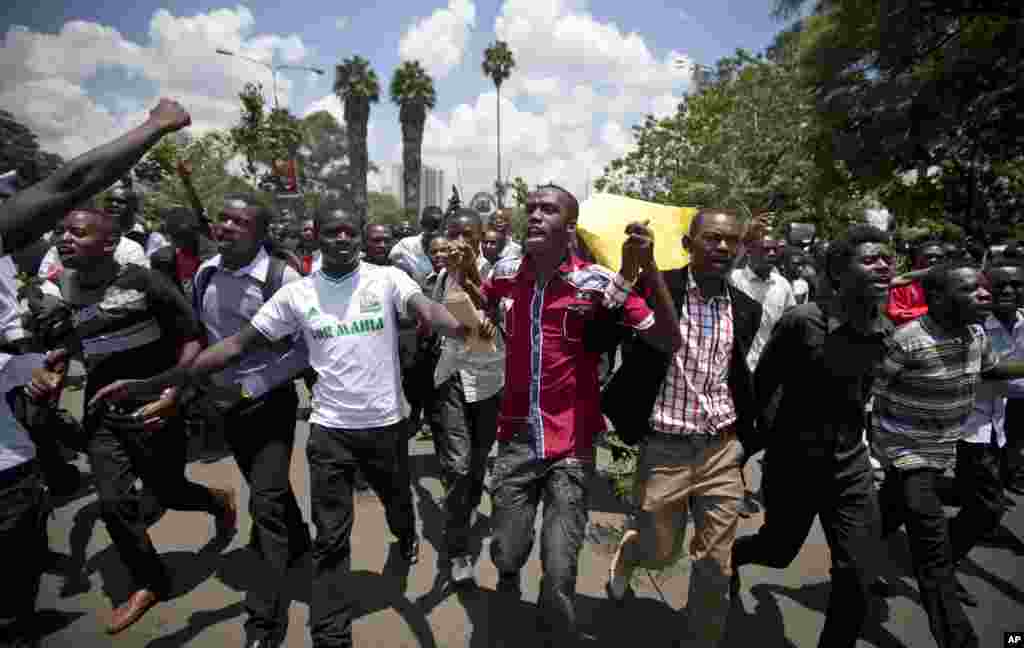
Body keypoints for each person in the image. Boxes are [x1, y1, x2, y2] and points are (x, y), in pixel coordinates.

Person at [91, 207, 473, 648]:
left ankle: (405, 534)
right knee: (330, 541)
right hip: (330, 432)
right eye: (333, 231)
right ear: (317, 239)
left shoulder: (387, 279)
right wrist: (156, 383)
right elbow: (234, 345)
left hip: (386, 427)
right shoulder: (298, 294)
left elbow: (426, 308)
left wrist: (458, 326)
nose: (343, 238)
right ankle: (331, 635)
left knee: (396, 501)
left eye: (352, 231)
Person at [450, 185, 682, 644]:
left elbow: (668, 340)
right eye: (530, 209)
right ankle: (509, 580)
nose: (534, 215)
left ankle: (554, 628)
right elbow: (486, 310)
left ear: (569, 228)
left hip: (572, 446)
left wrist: (648, 270)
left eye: (547, 210)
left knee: (560, 566)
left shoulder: (598, 285)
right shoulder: (506, 271)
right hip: (515, 439)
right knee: (508, 550)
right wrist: (463, 280)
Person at [29, 207, 236, 635]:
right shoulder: (67, 287)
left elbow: (192, 339)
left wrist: (172, 392)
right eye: (62, 231)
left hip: (154, 406)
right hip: (102, 411)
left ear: (109, 243)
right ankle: (151, 581)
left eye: (78, 232)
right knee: (112, 503)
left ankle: (217, 501)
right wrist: (58, 362)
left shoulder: (146, 283)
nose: (64, 239)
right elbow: (80, 336)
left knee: (169, 491)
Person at [730, 225, 894, 648]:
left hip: (851, 468)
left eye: (886, 258)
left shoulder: (884, 329)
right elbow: (761, 389)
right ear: (839, 271)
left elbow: (865, 398)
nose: (884, 265)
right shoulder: (802, 324)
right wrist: (741, 451)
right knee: (777, 551)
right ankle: (731, 559)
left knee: (857, 573)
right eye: (870, 259)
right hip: (794, 464)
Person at [604, 208, 761, 648]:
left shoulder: (747, 310)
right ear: (688, 245)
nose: (724, 248)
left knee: (716, 562)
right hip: (664, 449)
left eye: (733, 241)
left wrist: (746, 438)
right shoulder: (656, 289)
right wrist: (636, 267)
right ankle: (631, 552)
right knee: (661, 550)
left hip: (720, 451)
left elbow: (737, 376)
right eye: (712, 239)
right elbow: (604, 320)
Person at [871, 260, 1024, 648]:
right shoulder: (906, 340)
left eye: (984, 288)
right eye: (972, 290)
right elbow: (871, 392)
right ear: (937, 298)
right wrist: (870, 452)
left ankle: (859, 558)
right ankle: (959, 639)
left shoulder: (975, 335)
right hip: (908, 455)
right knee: (933, 553)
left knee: (882, 517)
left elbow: (989, 370)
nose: (985, 295)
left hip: (944, 452)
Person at [192, 195, 313, 648]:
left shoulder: (284, 280)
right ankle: (300, 542)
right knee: (271, 490)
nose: (226, 226)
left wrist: (251, 386)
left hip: (268, 402)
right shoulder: (205, 273)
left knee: (263, 507)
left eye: (239, 222)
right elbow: (200, 336)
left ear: (260, 233)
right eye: (223, 218)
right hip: (222, 405)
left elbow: (305, 349)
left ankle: (264, 620)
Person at [430, 211, 504, 585]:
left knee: (477, 463)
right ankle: (458, 549)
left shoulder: (502, 274)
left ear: (481, 237)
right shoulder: (442, 277)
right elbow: (448, 322)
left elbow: (497, 331)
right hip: (454, 380)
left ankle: (468, 505)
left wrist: (492, 319)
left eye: (468, 235)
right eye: (453, 234)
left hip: (491, 382)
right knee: (457, 468)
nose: (459, 242)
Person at [946, 257, 1024, 608]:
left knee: (972, 492)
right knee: (988, 505)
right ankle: (941, 562)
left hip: (1000, 423)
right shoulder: (972, 325)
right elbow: (986, 374)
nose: (1007, 291)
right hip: (968, 425)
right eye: (998, 285)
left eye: (1016, 284)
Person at [728, 232, 796, 518]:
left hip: (771, 369)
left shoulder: (782, 285)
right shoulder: (733, 280)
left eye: (776, 249)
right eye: (766, 248)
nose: (772, 253)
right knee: (738, 428)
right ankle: (732, 488)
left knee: (772, 428)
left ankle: (747, 474)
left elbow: (790, 323)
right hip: (736, 369)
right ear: (751, 250)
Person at [886, 240, 945, 326]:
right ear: (917, 259)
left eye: (939, 257)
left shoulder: (951, 283)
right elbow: (895, 314)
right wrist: (930, 312)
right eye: (928, 257)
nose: (933, 260)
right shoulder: (901, 285)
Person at [107, 185, 170, 258]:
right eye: (110, 200)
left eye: (120, 201)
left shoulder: (148, 235)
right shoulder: (100, 229)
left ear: (132, 205)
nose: (113, 204)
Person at [389, 206, 443, 286]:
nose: (433, 230)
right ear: (422, 224)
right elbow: (390, 260)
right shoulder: (407, 244)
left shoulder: (449, 245)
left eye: (436, 225)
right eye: (429, 224)